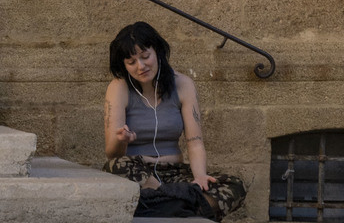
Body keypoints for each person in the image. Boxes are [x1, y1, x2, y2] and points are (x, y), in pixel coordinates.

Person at [103, 21, 245, 216]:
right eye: (131, 62)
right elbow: (112, 154)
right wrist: (121, 140)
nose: (141, 66)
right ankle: (183, 206)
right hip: (139, 172)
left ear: (158, 52)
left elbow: (194, 143)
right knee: (116, 167)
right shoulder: (118, 88)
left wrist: (200, 176)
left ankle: (161, 206)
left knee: (234, 185)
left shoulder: (183, 84)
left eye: (145, 57)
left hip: (174, 172)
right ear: (124, 65)